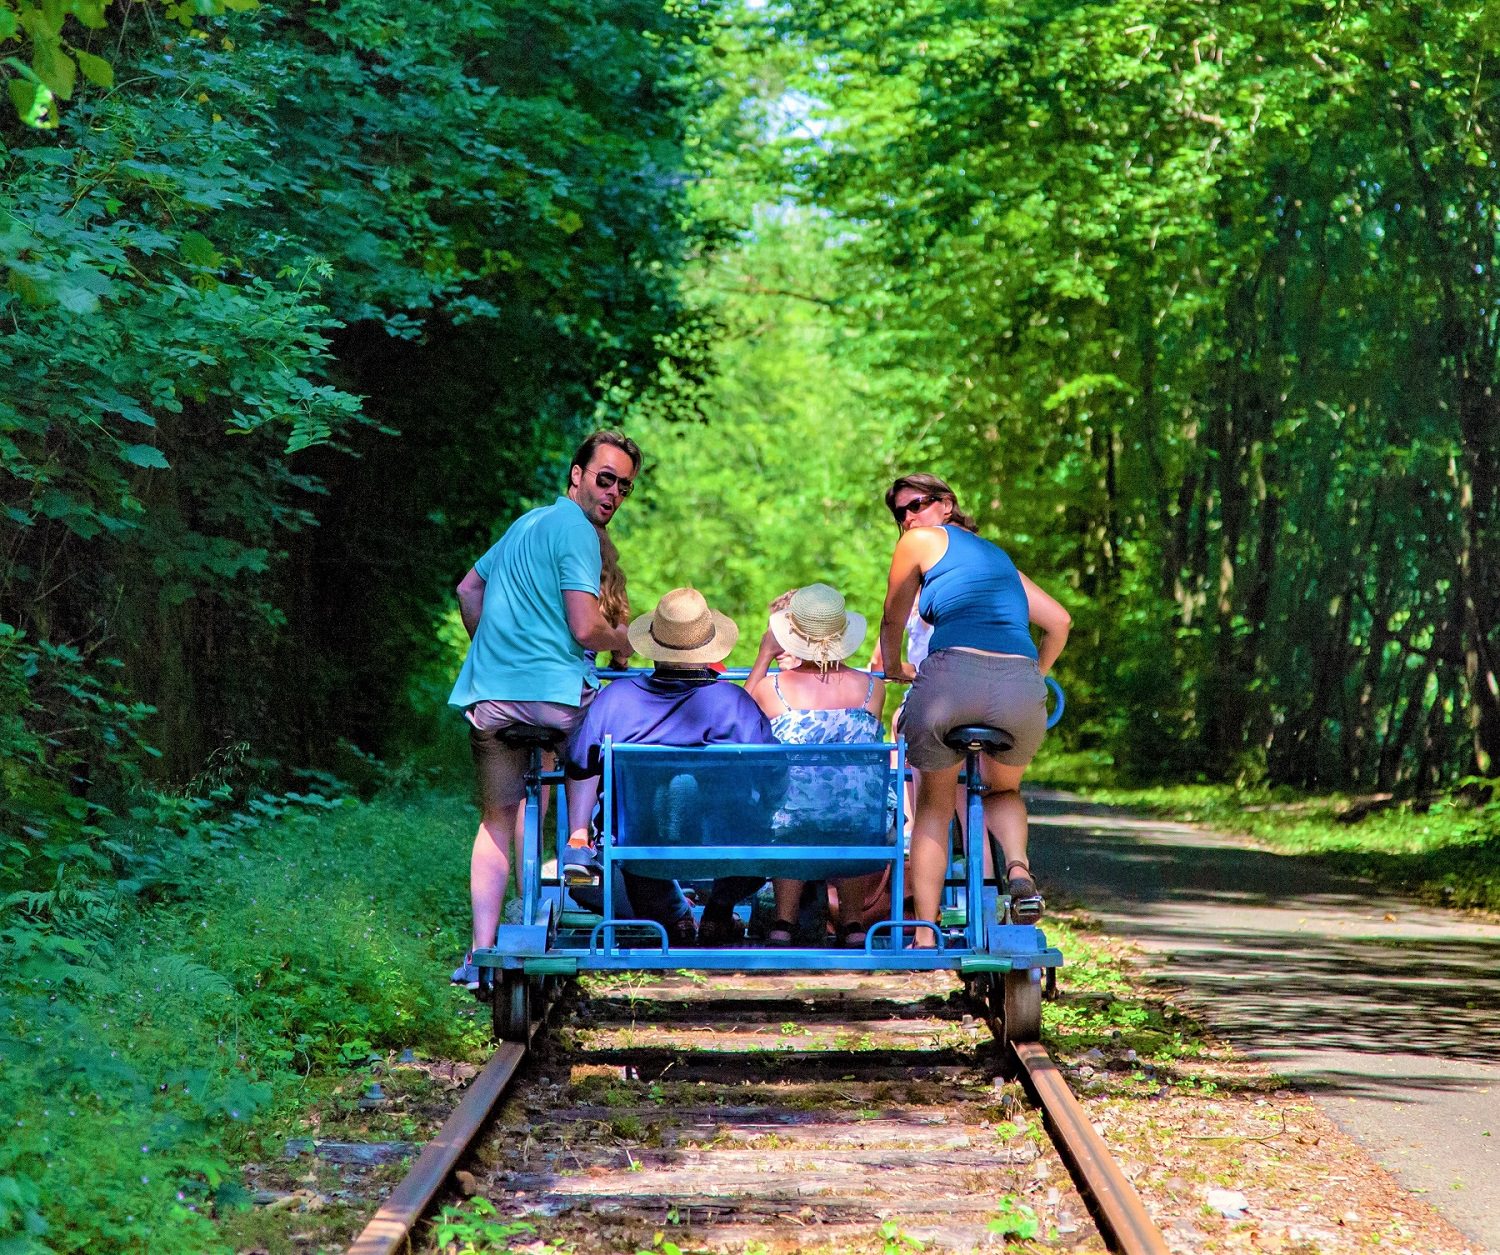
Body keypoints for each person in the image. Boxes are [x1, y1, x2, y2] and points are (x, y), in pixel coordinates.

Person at [447, 430, 641, 989]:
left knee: (495, 820)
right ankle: (578, 842)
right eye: (605, 479)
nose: (613, 494)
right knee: (605, 715)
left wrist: (493, 651)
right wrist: (622, 640)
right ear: (576, 475)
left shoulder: (524, 525)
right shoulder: (578, 532)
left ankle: (481, 952)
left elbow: (466, 590)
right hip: (553, 701)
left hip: (488, 700)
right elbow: (585, 626)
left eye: (623, 487)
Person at [877, 473, 1071, 942]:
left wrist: (891, 666)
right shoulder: (998, 560)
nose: (908, 518)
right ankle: (1019, 870)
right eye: (899, 512)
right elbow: (1060, 622)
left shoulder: (919, 542)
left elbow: (891, 618)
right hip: (1020, 688)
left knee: (935, 807)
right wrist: (1034, 676)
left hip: (951, 679)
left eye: (917, 505)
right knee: (1002, 791)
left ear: (947, 505)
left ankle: (925, 935)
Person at [564, 587, 777, 946]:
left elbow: (580, 764)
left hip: (639, 847)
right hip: (725, 845)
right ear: (708, 647)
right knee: (756, 825)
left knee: (641, 830)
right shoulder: (733, 703)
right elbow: (775, 774)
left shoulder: (615, 700)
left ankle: (673, 916)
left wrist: (580, 831)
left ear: (653, 643)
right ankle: (719, 910)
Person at [745, 583, 891, 947]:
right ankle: (853, 921)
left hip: (792, 820)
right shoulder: (873, 689)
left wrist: (764, 656)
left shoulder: (772, 689)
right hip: (860, 821)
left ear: (790, 638)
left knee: (791, 806)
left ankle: (783, 921)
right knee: (850, 799)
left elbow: (739, 718)